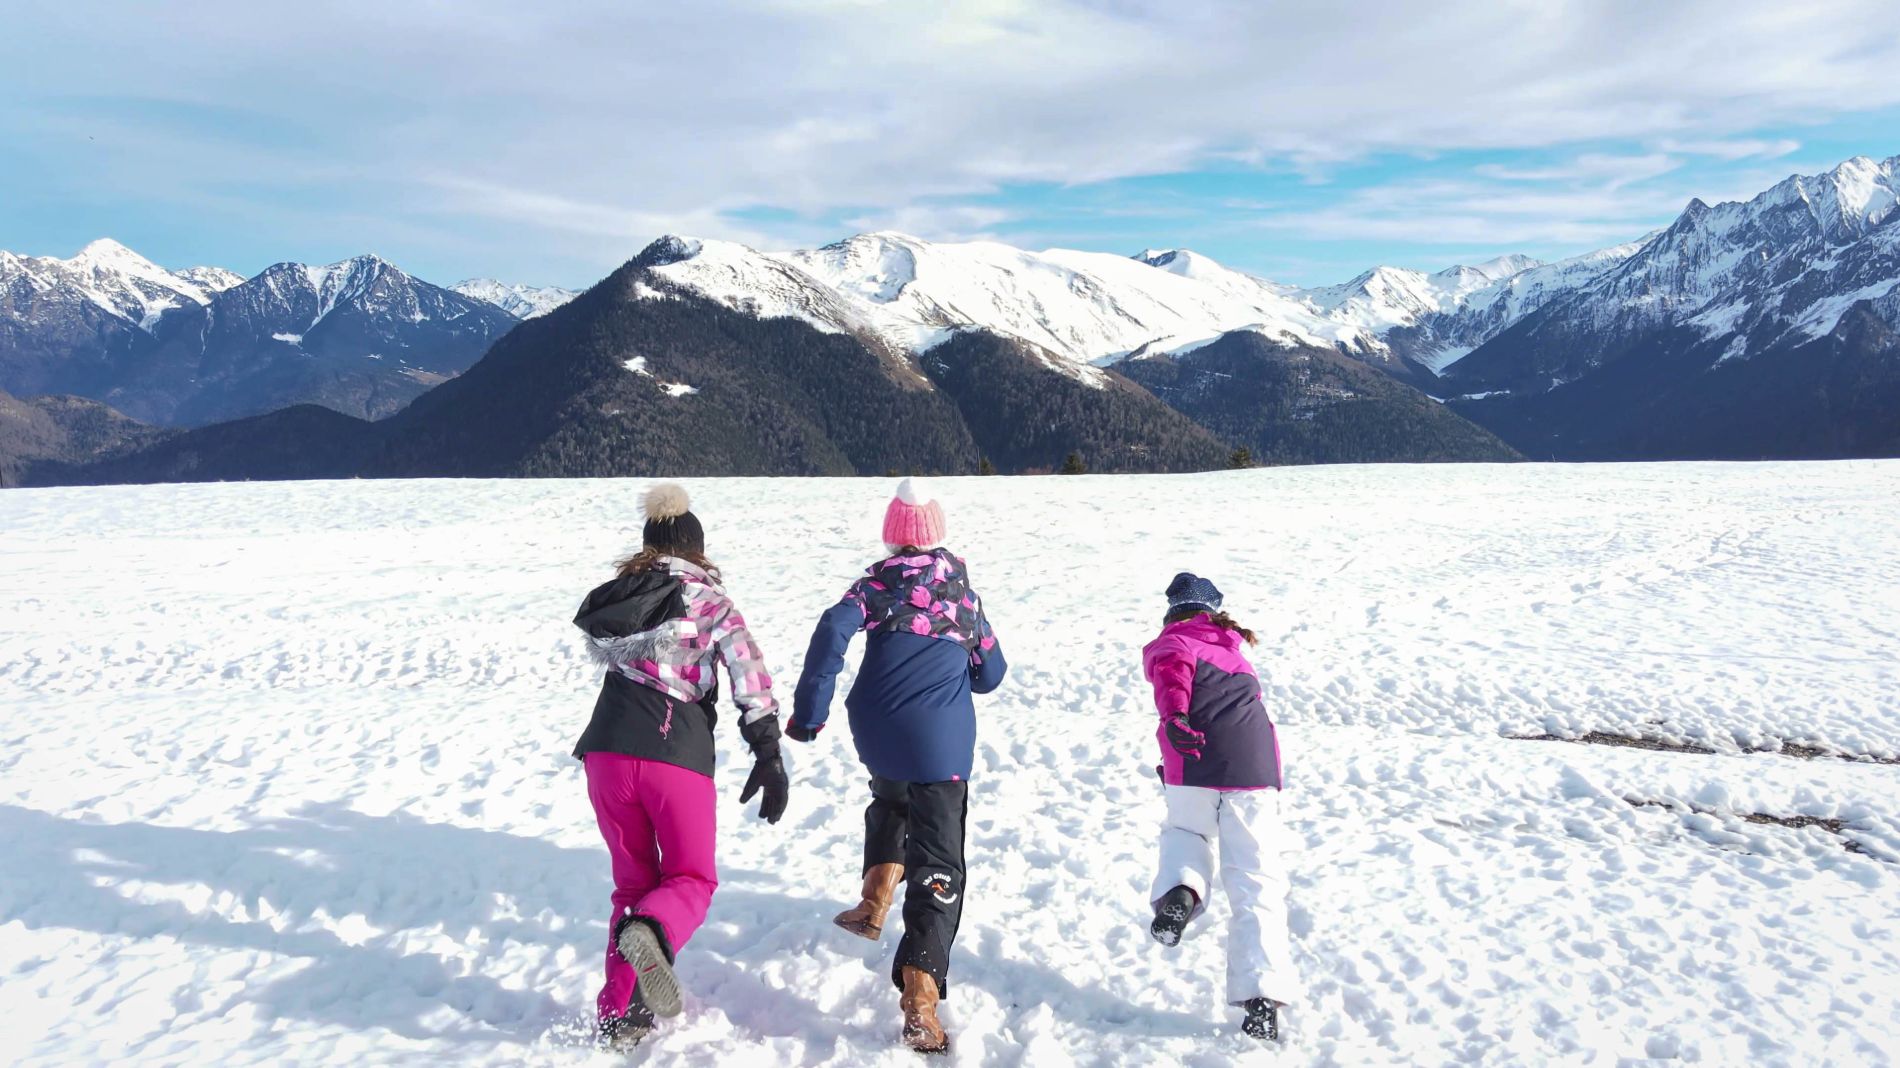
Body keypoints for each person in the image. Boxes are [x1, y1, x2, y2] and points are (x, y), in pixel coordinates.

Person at [786, 477, 1008, 1054]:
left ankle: (875, 900)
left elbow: (834, 626)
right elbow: (991, 674)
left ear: (892, 537)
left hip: (875, 725)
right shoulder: (962, 595)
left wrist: (811, 711)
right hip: (939, 742)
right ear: (938, 534)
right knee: (940, 858)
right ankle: (920, 998)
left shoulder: (876, 584)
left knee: (890, 795)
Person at [570, 483, 788, 1049]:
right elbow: (750, 679)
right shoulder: (711, 601)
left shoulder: (621, 596)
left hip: (607, 751)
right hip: (675, 752)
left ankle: (621, 1016)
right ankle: (654, 932)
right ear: (697, 547)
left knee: (632, 885)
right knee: (690, 878)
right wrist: (767, 753)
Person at [1143, 572, 1295, 1042]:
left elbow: (1173, 679)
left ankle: (1181, 893)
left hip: (1192, 762)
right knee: (1255, 881)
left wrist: (1175, 719)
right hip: (1253, 771)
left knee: (1186, 834)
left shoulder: (1172, 642)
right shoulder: (1235, 650)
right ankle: (1261, 1002)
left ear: (1173, 611)